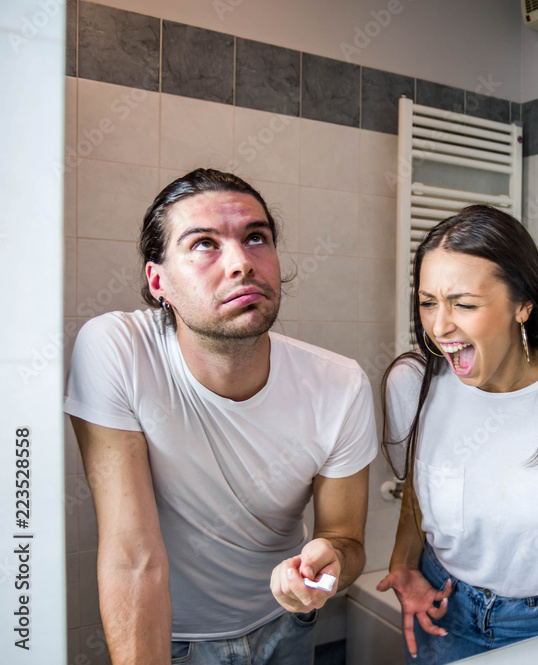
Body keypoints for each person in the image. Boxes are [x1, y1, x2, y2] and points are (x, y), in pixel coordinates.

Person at [64, 168, 378, 665]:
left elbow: (347, 539)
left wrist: (331, 559)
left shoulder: (340, 385)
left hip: (286, 627)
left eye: (256, 238)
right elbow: (132, 558)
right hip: (172, 640)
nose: (241, 263)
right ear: (158, 280)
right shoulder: (118, 350)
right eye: (204, 244)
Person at [376, 205, 538, 664]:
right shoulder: (413, 382)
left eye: (464, 304)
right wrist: (403, 563)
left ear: (523, 304)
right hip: (442, 610)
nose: (440, 327)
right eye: (427, 302)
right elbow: (418, 490)